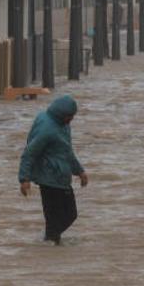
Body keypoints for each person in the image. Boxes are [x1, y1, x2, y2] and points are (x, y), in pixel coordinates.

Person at [18, 95, 88, 245]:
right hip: (50, 180)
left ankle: (51, 246)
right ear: (61, 114)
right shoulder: (47, 129)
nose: (72, 119)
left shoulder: (62, 124)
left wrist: (79, 171)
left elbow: (66, 151)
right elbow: (29, 153)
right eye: (70, 116)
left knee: (58, 219)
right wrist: (24, 179)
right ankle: (49, 242)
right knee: (68, 215)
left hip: (60, 177)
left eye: (73, 116)